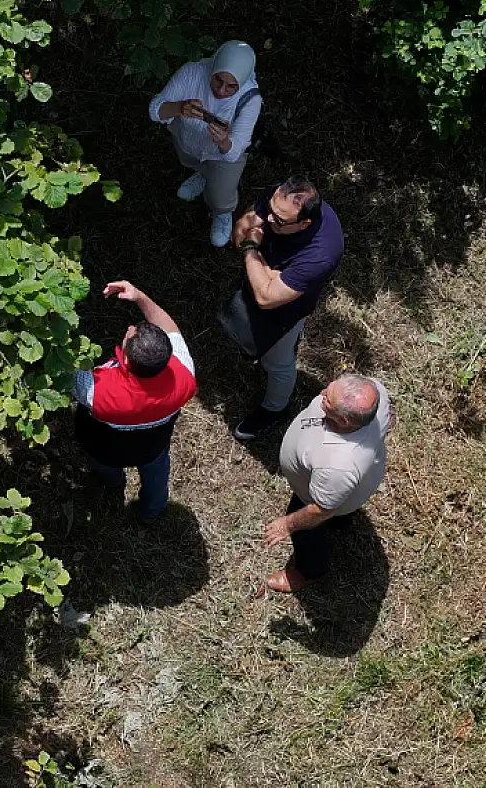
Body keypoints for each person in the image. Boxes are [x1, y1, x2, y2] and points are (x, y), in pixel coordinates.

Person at [222, 175, 345, 441]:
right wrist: (265, 271)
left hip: (286, 311)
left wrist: (251, 250)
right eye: (270, 210)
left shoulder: (321, 253)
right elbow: (242, 227)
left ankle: (275, 408)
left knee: (276, 362)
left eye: (279, 220)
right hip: (269, 285)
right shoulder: (282, 200)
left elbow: (267, 297)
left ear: (305, 223)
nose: (268, 219)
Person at [72, 280, 197, 524]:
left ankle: (113, 484)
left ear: (126, 361)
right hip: (153, 447)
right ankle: (152, 512)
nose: (128, 328)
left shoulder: (97, 390)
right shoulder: (185, 376)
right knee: (157, 478)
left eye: (128, 334)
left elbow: (61, 370)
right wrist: (140, 296)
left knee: (106, 470)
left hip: (104, 449)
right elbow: (170, 327)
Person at [263, 374, 390, 592]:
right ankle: (342, 521)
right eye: (330, 388)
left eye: (328, 399)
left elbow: (320, 510)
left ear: (344, 421)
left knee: (309, 532)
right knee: (341, 510)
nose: (322, 393)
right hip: (352, 485)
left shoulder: (337, 465)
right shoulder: (377, 393)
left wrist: (288, 524)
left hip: (316, 499)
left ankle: (309, 571)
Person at [149, 40, 263, 248]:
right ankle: (202, 174)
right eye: (217, 80)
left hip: (224, 156)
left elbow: (234, 152)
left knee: (221, 195)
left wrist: (224, 141)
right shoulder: (192, 73)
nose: (221, 90)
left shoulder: (251, 100)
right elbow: (155, 109)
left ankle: (222, 212)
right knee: (190, 161)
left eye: (231, 87)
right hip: (188, 141)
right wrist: (179, 108)